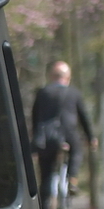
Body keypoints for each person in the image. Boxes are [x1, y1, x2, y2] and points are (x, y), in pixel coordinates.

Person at [29, 60, 94, 201]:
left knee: (46, 174)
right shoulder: (74, 93)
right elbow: (84, 117)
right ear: (68, 77)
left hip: (47, 138)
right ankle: (73, 179)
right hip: (69, 134)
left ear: (51, 76)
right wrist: (91, 137)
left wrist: (34, 142)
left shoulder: (42, 92)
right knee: (77, 150)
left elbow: (35, 118)